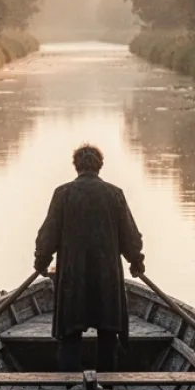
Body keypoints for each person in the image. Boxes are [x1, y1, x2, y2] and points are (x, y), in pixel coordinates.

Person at [34, 144, 145, 372]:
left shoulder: (63, 194)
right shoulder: (115, 194)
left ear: (76, 167)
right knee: (108, 333)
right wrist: (136, 261)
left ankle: (69, 386)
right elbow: (130, 236)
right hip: (107, 277)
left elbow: (48, 236)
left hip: (73, 278)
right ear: (100, 166)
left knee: (70, 333)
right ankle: (108, 385)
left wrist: (42, 260)